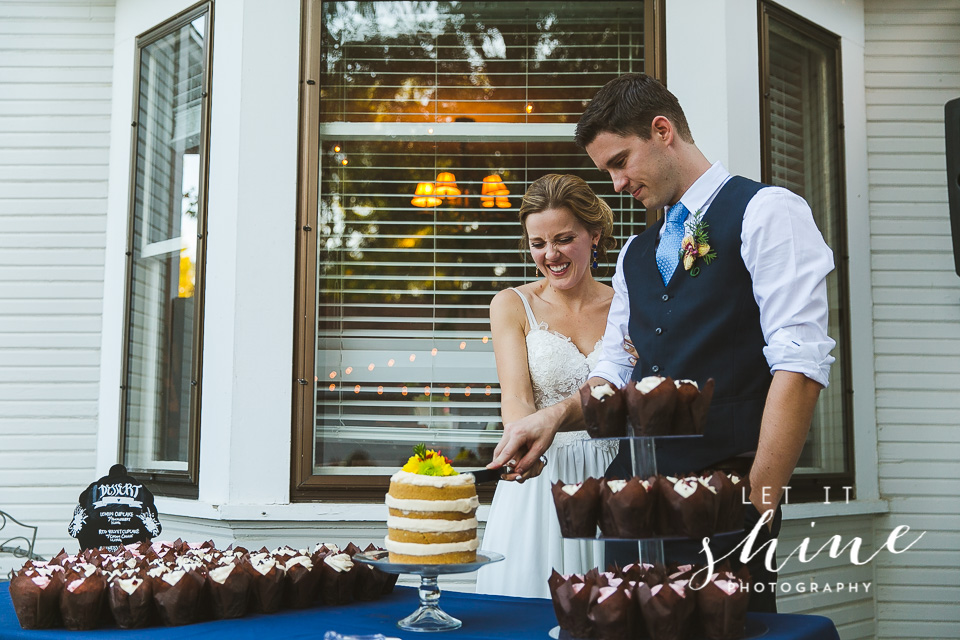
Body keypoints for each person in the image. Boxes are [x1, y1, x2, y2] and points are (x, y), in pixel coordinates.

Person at [486, 74, 836, 612]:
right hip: (634, 507)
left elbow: (800, 366)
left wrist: (757, 505)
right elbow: (614, 368)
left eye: (621, 161)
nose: (618, 184)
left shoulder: (768, 212)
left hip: (727, 499)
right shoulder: (635, 253)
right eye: (608, 171)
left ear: (663, 130)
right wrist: (551, 419)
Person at [475, 174, 622, 598]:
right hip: (542, 478)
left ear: (594, 234)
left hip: (612, 477)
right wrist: (524, 451)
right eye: (538, 244)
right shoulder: (512, 304)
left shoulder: (625, 305)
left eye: (563, 239)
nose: (550, 255)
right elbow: (516, 396)